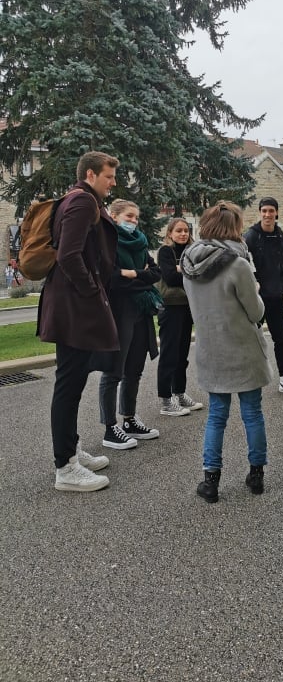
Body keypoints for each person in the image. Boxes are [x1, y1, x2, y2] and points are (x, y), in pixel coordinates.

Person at [37, 151, 120, 492]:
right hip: (73, 305)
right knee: (69, 384)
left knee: (73, 381)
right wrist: (92, 291)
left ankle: (70, 450)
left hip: (71, 303)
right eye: (109, 176)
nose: (113, 182)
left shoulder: (80, 200)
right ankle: (65, 468)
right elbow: (68, 255)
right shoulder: (82, 202)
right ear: (90, 174)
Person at [181, 201, 272, 503]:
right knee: (252, 413)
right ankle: (256, 474)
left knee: (216, 416)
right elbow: (256, 311)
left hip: (210, 347)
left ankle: (210, 480)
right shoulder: (238, 264)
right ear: (234, 228)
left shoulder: (188, 263)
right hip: (242, 348)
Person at [96, 200, 162, 450]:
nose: (133, 221)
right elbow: (110, 278)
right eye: (129, 216)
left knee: (134, 370)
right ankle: (110, 428)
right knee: (113, 370)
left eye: (136, 217)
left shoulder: (142, 243)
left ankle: (129, 419)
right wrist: (139, 275)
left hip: (141, 312)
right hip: (119, 311)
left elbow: (156, 273)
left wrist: (131, 273)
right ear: (113, 216)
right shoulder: (108, 243)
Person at [244, 197, 283, 396]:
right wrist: (253, 286)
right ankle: (250, 380)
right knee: (252, 338)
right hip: (257, 298)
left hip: (276, 296)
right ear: (260, 212)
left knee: (281, 338)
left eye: (271, 211)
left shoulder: (282, 238)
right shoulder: (251, 237)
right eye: (264, 211)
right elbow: (244, 265)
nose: (268, 215)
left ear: (276, 213)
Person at [156, 217, 201, 415]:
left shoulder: (192, 251)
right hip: (170, 306)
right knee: (169, 354)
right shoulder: (166, 251)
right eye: (179, 231)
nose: (183, 234)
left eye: (186, 230)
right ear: (170, 233)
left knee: (182, 354)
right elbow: (170, 277)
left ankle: (180, 393)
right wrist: (186, 270)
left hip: (187, 306)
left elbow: (200, 274)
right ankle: (166, 400)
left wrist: (181, 269)